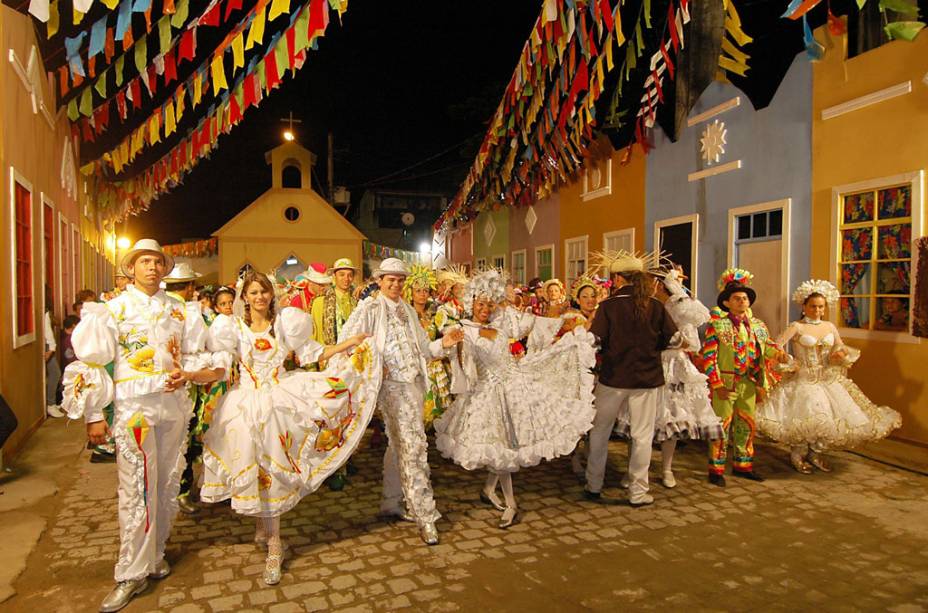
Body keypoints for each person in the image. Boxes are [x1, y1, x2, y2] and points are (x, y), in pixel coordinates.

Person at [60, 239, 223, 613]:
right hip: (135, 408)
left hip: (174, 406)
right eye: (144, 261)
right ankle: (130, 573)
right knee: (136, 488)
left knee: (165, 483)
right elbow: (94, 363)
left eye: (157, 261)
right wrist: (94, 415)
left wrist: (192, 373)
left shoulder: (183, 310)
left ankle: (155, 554)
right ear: (130, 268)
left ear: (165, 269)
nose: (151, 267)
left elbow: (197, 353)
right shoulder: (111, 311)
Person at [200, 271, 380, 585]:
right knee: (252, 467)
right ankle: (263, 526)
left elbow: (313, 353)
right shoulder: (232, 328)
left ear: (272, 295)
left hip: (279, 405)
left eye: (264, 292)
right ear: (245, 297)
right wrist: (193, 376)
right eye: (254, 292)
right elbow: (218, 364)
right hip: (243, 406)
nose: (259, 298)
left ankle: (274, 544)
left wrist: (347, 344)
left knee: (274, 472)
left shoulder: (284, 324)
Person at [435, 270, 595, 528]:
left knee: (505, 446)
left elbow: (531, 324)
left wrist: (564, 321)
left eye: (489, 304)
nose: (485, 308)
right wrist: (456, 347)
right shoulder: (464, 330)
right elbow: (461, 360)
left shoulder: (500, 323)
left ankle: (489, 490)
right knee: (502, 448)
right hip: (488, 393)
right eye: (480, 304)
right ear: (471, 304)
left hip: (516, 383)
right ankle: (511, 504)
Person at [339, 258, 464, 545]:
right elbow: (348, 343)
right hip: (392, 388)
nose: (395, 285)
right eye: (389, 280)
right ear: (379, 281)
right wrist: (370, 363)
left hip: (414, 386)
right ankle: (425, 515)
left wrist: (443, 344)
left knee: (398, 445)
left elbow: (424, 349)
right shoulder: (370, 308)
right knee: (414, 446)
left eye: (399, 280)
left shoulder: (408, 310)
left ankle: (391, 501)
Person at [757, 280, 902, 473]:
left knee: (828, 421)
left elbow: (839, 346)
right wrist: (789, 360)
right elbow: (776, 346)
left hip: (827, 378)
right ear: (804, 306)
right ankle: (798, 455)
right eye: (813, 306)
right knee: (804, 418)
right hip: (803, 379)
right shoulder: (797, 327)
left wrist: (839, 354)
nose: (817, 310)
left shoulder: (829, 326)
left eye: (821, 307)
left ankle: (815, 454)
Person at [583, 250, 679, 507]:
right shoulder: (655, 305)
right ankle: (637, 492)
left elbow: (594, 341)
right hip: (647, 379)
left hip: (613, 377)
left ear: (617, 279)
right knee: (642, 436)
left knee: (600, 431)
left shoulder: (608, 307)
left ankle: (594, 484)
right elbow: (674, 339)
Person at [617, 267, 722, 489]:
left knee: (672, 418)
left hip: (674, 368)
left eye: (656, 284)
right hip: (647, 364)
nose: (652, 289)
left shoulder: (679, 307)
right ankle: (634, 471)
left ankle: (666, 468)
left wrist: (676, 288)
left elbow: (694, 330)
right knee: (637, 421)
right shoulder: (642, 304)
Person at [701, 268, 788, 486]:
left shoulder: (758, 326)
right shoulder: (717, 325)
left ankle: (743, 464)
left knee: (747, 425)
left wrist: (779, 354)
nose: (742, 301)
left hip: (748, 382)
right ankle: (716, 469)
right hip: (727, 384)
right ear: (727, 303)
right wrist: (717, 384)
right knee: (722, 426)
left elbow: (767, 347)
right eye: (737, 298)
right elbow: (709, 358)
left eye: (745, 298)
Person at [403, 265, 452, 428]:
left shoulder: (434, 314)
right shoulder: (406, 317)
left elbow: (442, 336)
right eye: (418, 291)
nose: (423, 294)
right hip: (417, 367)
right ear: (411, 292)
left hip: (436, 366)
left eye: (425, 290)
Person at [45, 285, 64, 418]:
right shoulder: (44, 310)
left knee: (54, 373)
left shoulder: (46, 311)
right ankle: (50, 404)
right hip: (48, 346)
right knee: (55, 373)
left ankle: (53, 402)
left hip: (48, 345)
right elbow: (47, 331)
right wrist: (52, 348)